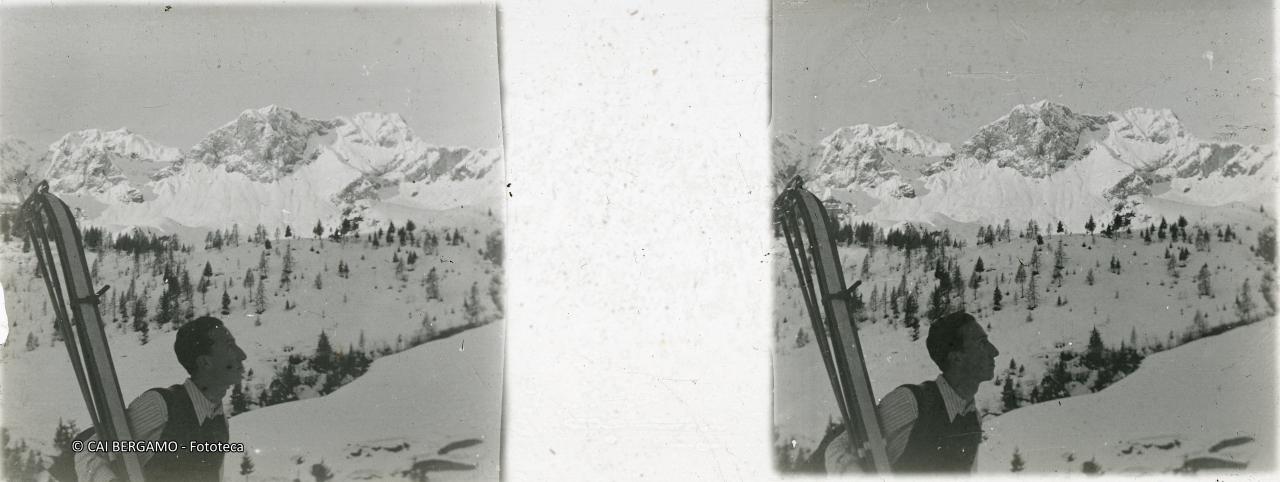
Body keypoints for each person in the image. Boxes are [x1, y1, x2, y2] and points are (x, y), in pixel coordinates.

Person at [824, 311, 1000, 473]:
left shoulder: (972, 419)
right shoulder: (912, 403)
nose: (995, 351)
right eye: (982, 344)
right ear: (956, 358)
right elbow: (838, 448)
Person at [75, 316, 247, 482]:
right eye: (229, 346)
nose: (242, 355)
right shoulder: (162, 406)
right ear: (205, 362)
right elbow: (87, 451)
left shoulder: (219, 421)